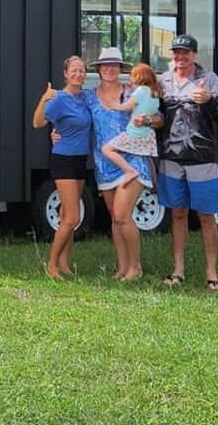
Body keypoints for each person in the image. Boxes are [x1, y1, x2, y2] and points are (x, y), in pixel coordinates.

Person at [156, 35, 218, 293]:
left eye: (185, 53)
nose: (180, 57)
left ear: (195, 55)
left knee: (207, 215)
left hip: (202, 158)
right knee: (177, 213)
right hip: (171, 158)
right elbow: (156, 117)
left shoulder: (209, 79)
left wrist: (208, 100)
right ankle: (178, 270)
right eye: (176, 52)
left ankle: (212, 273)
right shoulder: (162, 81)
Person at [83, 48, 159, 281]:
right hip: (105, 164)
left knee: (122, 214)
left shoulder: (133, 92)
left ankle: (136, 268)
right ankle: (123, 267)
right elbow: (72, 114)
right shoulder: (89, 96)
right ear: (98, 69)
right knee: (115, 218)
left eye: (114, 65)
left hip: (133, 159)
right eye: (105, 65)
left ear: (120, 69)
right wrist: (57, 132)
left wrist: (147, 119)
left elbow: (159, 118)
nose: (109, 68)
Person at [31, 55, 91, 280]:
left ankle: (65, 264)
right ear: (65, 74)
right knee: (72, 217)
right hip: (63, 160)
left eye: (82, 70)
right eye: (74, 70)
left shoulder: (84, 98)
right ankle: (52, 265)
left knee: (68, 212)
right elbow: (37, 123)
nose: (78, 74)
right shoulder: (58, 98)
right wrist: (44, 99)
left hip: (80, 160)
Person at [99, 63, 160, 186]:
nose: (129, 77)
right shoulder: (154, 93)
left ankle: (129, 171)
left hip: (134, 132)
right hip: (147, 134)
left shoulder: (140, 91)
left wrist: (117, 106)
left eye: (132, 75)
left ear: (139, 77)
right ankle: (155, 183)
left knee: (107, 149)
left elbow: (128, 106)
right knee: (147, 157)